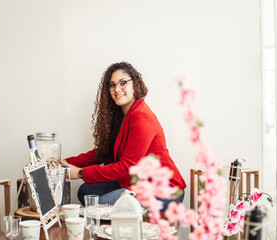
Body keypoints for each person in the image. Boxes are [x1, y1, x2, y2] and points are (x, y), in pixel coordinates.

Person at [60, 61, 186, 211]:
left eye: (123, 83)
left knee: (102, 203)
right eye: (112, 85)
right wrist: (63, 163)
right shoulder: (123, 116)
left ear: (135, 84)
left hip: (165, 190)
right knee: (86, 191)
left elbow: (127, 167)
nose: (117, 89)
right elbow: (102, 153)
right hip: (137, 182)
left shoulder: (142, 117)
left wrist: (80, 173)